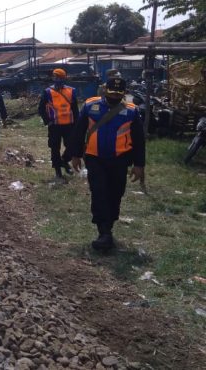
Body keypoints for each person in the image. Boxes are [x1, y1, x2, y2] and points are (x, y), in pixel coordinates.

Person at [70, 78, 145, 251]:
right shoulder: (90, 106)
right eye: (111, 94)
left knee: (116, 193)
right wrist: (75, 155)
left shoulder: (131, 111)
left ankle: (108, 226)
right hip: (95, 158)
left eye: (118, 95)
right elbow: (79, 131)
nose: (114, 98)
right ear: (105, 91)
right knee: (99, 192)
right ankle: (103, 232)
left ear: (124, 94)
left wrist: (139, 165)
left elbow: (139, 140)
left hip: (120, 159)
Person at [38, 68, 78, 180]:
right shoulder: (47, 92)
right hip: (54, 125)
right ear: (53, 78)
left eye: (59, 77)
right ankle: (58, 171)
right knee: (54, 148)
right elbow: (41, 108)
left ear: (64, 78)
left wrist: (77, 124)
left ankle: (64, 161)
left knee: (71, 147)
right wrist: (48, 121)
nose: (57, 79)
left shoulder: (71, 91)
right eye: (55, 77)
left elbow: (75, 109)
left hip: (69, 125)